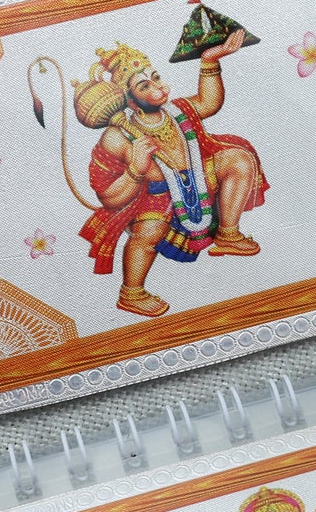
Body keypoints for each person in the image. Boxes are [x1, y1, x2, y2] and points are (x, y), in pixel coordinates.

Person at [78, 28, 266, 318]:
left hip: (198, 177)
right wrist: (135, 169)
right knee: (147, 235)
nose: (158, 88)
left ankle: (228, 234)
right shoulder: (118, 137)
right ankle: (132, 293)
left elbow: (209, 103)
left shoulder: (176, 110)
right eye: (145, 86)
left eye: (156, 77)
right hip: (155, 197)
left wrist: (210, 59)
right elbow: (108, 195)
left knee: (238, 159)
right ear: (130, 101)